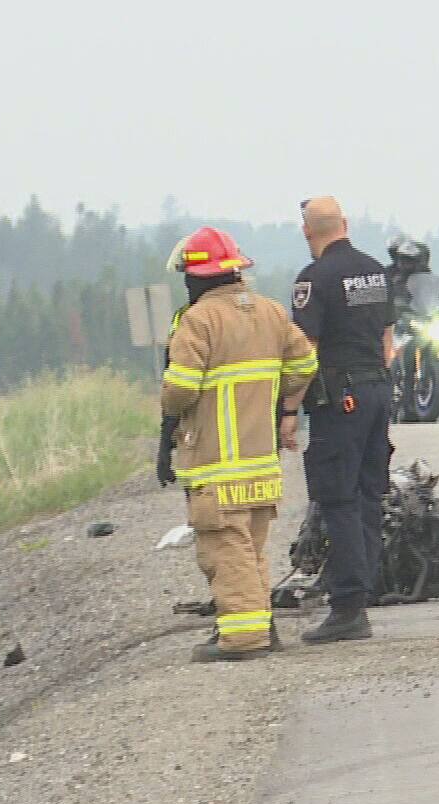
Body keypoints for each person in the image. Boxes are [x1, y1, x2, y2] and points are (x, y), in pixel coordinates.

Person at [160, 226, 318, 661]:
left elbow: (180, 390)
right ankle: (263, 627)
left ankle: (244, 639)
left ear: (197, 276)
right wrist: (274, 399)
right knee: (250, 550)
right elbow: (305, 364)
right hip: (261, 463)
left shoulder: (198, 320)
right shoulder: (270, 312)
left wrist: (170, 416)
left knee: (226, 552)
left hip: (216, 464)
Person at [292, 196, 395, 644]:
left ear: (306, 231)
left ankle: (348, 606)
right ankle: (364, 590)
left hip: (340, 399)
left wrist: (288, 410)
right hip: (377, 391)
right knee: (370, 495)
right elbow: (388, 341)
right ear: (345, 224)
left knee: (338, 497)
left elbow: (305, 353)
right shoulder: (376, 271)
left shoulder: (314, 278)